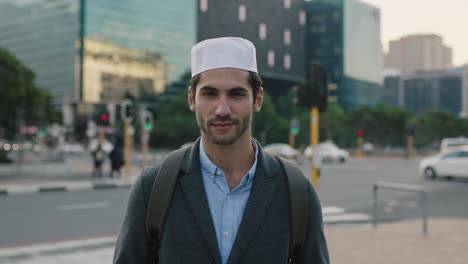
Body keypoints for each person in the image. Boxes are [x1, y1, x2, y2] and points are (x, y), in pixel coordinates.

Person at [113, 37, 329, 264]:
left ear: (257, 99)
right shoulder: (153, 188)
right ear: (191, 98)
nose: (222, 109)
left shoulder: (297, 192)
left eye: (236, 94)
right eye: (210, 94)